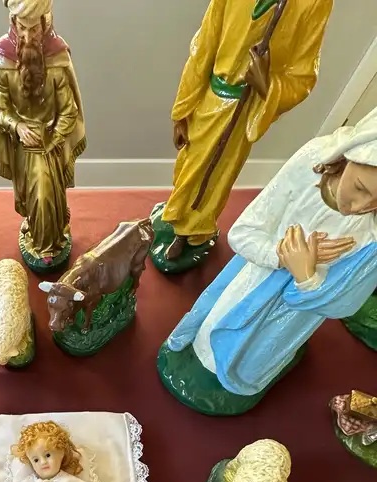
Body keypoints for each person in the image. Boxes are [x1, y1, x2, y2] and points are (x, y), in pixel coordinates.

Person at [161, 107, 377, 412]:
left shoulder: (371, 233)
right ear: (349, 154)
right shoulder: (311, 162)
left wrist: (307, 277)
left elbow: (346, 302)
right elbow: (243, 233)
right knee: (214, 337)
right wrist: (281, 255)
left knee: (255, 360)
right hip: (253, 279)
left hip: (293, 316)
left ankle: (249, 376)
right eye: (360, 188)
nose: (361, 207)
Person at [151, 0, 332, 271]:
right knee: (188, 166)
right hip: (208, 100)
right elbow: (204, 46)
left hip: (242, 110)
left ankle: (190, 234)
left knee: (214, 176)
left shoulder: (314, 3)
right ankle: (176, 214)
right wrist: (183, 110)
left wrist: (267, 84)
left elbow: (303, 76)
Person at [0, 0, 86, 269]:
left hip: (50, 143)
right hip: (21, 145)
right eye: (22, 28)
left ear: (45, 24)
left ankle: (49, 244)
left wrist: (53, 141)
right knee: (33, 196)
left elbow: (69, 110)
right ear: (13, 24)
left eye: (34, 29)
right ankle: (36, 231)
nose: (28, 36)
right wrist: (18, 127)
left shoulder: (57, 58)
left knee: (47, 194)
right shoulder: (3, 59)